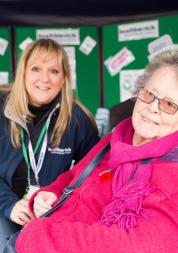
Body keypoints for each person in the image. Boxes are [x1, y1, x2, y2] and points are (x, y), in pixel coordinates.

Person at [15, 49, 178, 253]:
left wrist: (37, 236)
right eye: (149, 94)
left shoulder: (171, 170)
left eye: (169, 104)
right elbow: (75, 175)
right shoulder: (116, 139)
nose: (153, 107)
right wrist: (52, 192)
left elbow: (142, 244)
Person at [0, 38, 99, 249]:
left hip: (52, 213)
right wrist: (8, 205)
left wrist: (61, 200)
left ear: (64, 78)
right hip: (5, 209)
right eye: (36, 68)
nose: (44, 79)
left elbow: (95, 174)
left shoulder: (77, 118)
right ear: (23, 72)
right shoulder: (2, 108)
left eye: (54, 71)